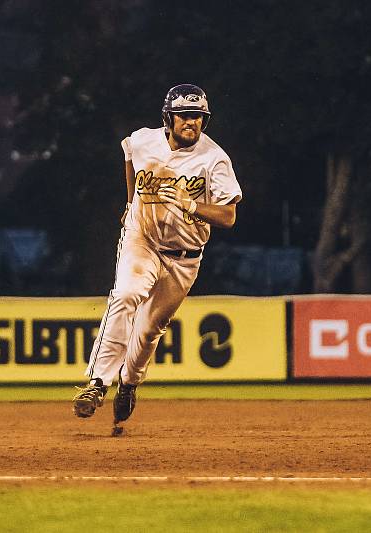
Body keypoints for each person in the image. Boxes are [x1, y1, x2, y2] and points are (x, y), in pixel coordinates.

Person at [72, 84, 242, 430]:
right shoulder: (143, 139)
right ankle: (97, 383)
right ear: (168, 117)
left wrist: (191, 204)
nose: (191, 122)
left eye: (198, 116)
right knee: (125, 295)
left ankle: (129, 384)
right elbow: (130, 159)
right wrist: (128, 203)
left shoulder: (214, 159)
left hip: (185, 256)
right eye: (184, 115)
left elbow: (229, 216)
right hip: (143, 238)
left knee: (149, 330)